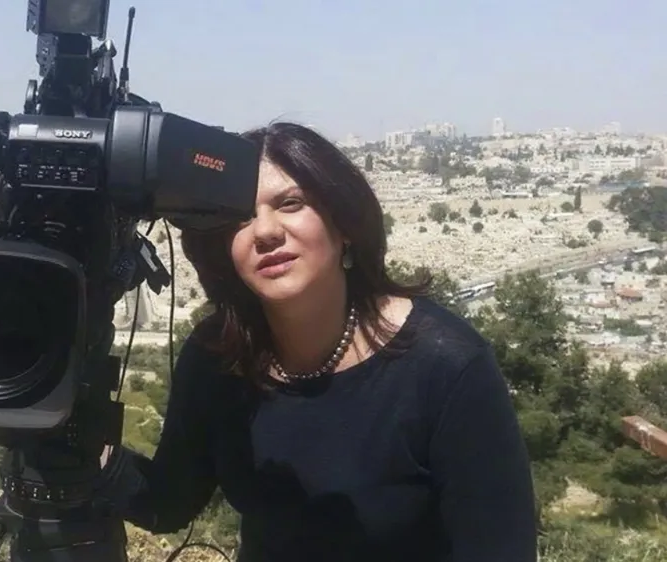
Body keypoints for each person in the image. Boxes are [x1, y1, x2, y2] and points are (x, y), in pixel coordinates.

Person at [99, 122, 538, 561]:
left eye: (290, 204)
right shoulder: (219, 357)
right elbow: (169, 502)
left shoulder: (447, 367)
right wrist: (85, 450)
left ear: (344, 223)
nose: (265, 231)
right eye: (239, 217)